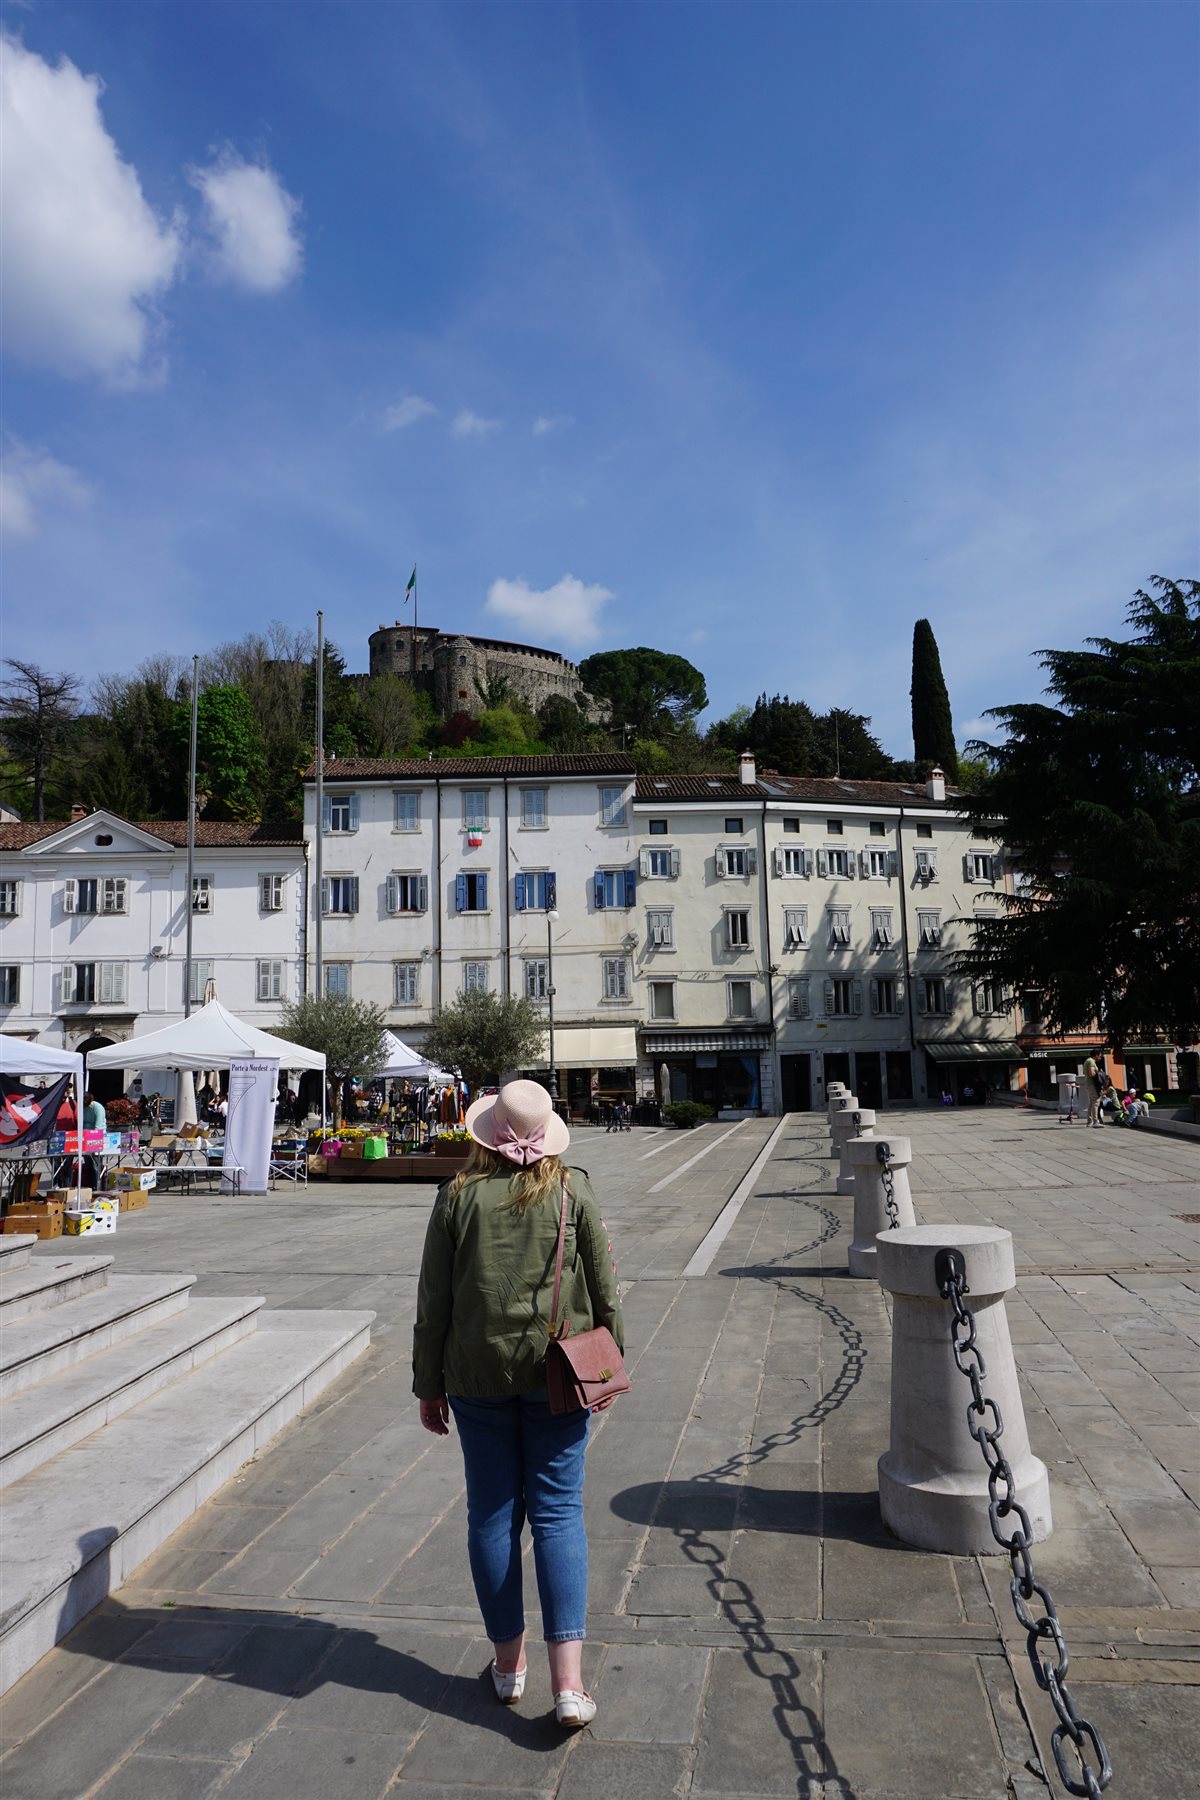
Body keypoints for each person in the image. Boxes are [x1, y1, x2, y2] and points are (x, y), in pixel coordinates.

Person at [413, 1079, 623, 1730]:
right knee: (558, 1515)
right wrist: (608, 1366)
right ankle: (569, 1686)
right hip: (559, 1371)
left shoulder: (456, 1197)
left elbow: (433, 1302)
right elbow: (605, 1286)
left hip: (475, 1374)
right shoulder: (573, 1190)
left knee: (492, 1515)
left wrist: (427, 1383)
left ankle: (509, 1668)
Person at [1083, 1057, 1103, 1128]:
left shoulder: (1087, 1061)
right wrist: (1099, 1074)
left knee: (1091, 1103)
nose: (1100, 1058)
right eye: (1100, 1056)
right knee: (1096, 1102)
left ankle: (1090, 1121)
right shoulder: (1091, 1061)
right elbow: (1091, 1073)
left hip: (1089, 1084)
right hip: (1093, 1084)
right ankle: (1095, 1121)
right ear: (1096, 1055)